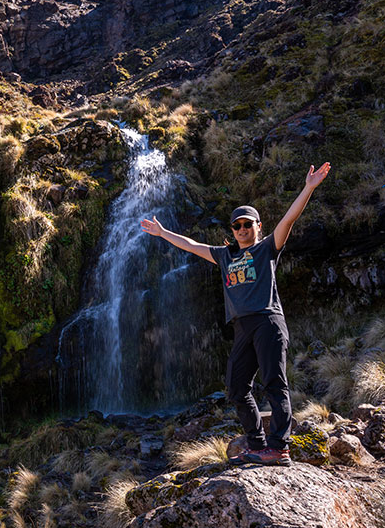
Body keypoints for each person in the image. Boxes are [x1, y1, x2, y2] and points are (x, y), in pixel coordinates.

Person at [139, 162, 332, 466]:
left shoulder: (267, 248)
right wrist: (163, 233)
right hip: (242, 327)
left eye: (247, 224)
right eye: (237, 226)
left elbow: (289, 219)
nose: (242, 229)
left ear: (258, 226)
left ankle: (279, 446)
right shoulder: (225, 255)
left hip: (268, 321)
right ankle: (256, 444)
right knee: (236, 387)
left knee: (274, 384)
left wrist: (308, 187)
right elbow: (191, 245)